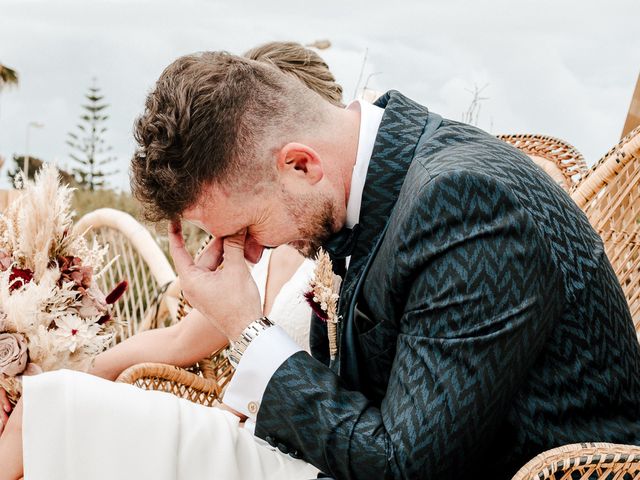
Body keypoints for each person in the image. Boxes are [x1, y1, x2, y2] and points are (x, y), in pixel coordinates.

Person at [5, 49, 640, 480]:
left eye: (246, 231)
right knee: (54, 405)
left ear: (301, 164)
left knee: (65, 415)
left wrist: (248, 333)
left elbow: (401, 465)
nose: (250, 254)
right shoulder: (389, 177)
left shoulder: (466, 203)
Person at [0, 42, 345, 480]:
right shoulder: (262, 250)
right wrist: (43, 370)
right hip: (243, 435)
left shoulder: (351, 252)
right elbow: (178, 341)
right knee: (45, 402)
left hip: (292, 458)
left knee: (47, 411)